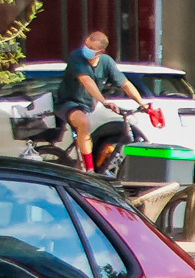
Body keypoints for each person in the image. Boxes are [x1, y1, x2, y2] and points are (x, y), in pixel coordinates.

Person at [54, 30, 143, 172]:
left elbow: (125, 84)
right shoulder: (76, 57)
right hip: (67, 102)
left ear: (101, 52)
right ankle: (89, 169)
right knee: (83, 122)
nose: (86, 50)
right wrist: (103, 101)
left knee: (85, 131)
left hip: (86, 105)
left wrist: (142, 103)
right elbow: (86, 80)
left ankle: (85, 165)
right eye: (86, 45)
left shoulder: (106, 62)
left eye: (91, 49)